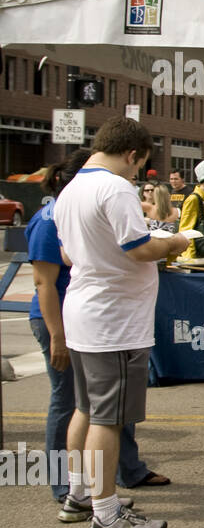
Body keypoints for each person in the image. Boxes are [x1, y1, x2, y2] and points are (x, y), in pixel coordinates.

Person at [54, 117, 190, 528]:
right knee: (109, 420)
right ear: (132, 154)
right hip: (114, 321)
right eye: (141, 166)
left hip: (83, 310)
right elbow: (140, 249)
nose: (139, 175)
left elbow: (68, 253)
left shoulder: (71, 189)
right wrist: (174, 241)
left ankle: (80, 493)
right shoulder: (115, 188)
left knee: (86, 409)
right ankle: (106, 513)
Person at [27, 150, 95, 506]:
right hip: (57, 322)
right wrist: (58, 337)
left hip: (77, 320)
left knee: (89, 404)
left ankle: (112, 474)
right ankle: (63, 484)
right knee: (66, 401)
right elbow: (44, 285)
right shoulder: (47, 219)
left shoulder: (68, 213)